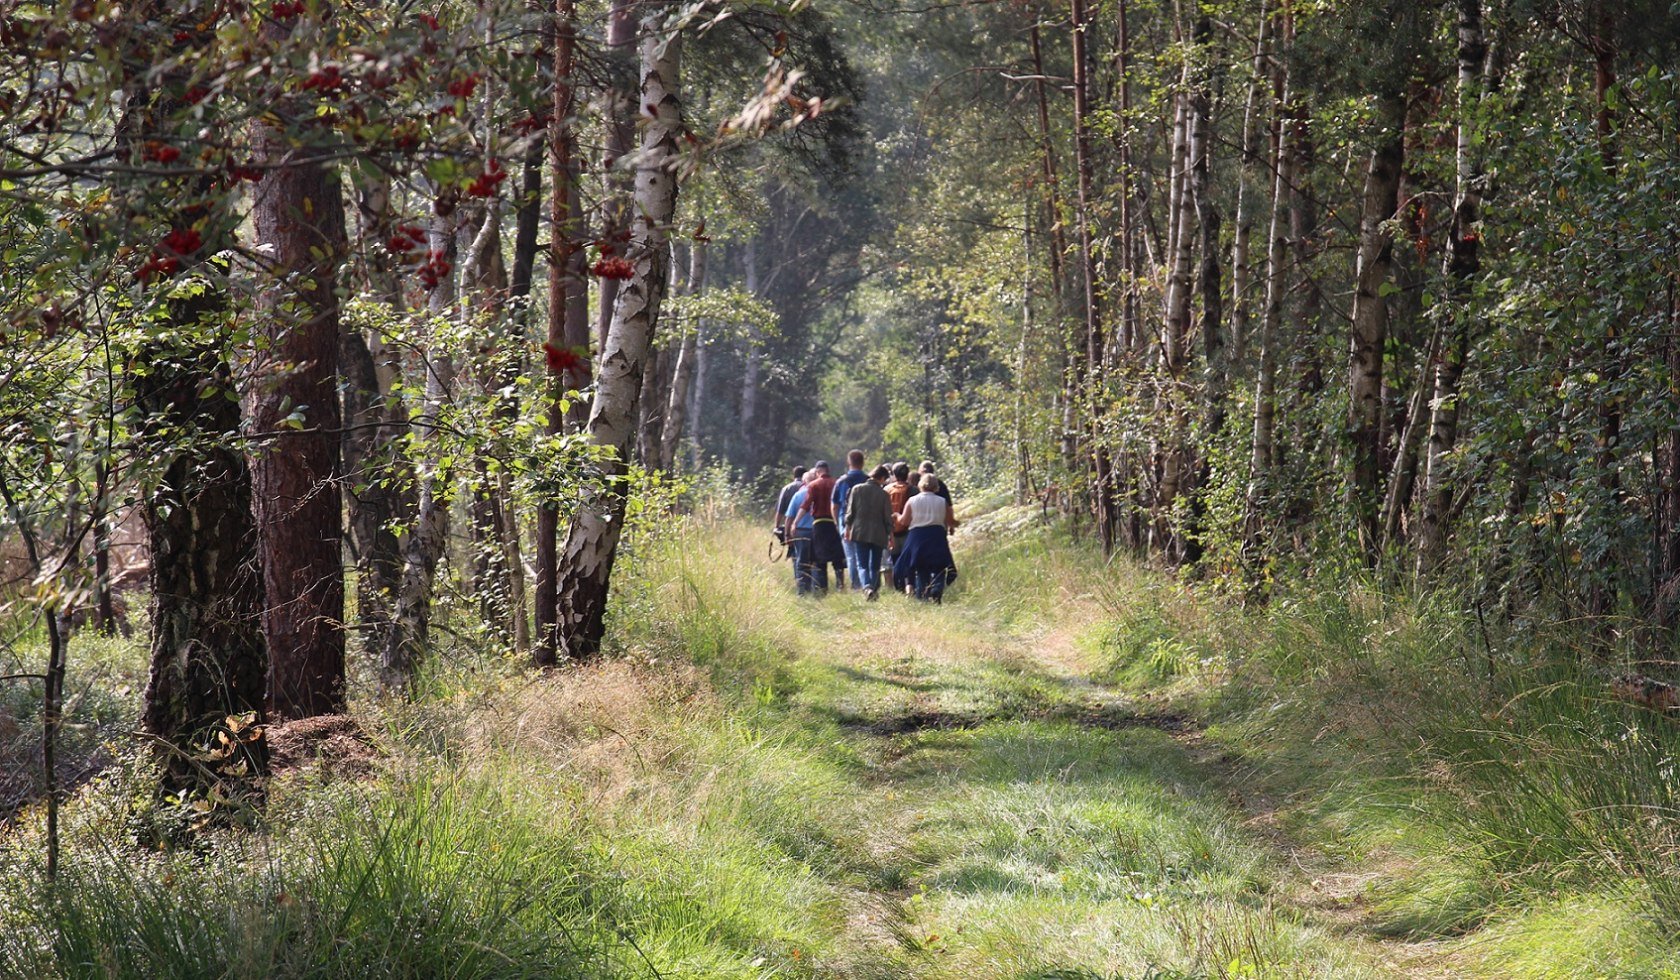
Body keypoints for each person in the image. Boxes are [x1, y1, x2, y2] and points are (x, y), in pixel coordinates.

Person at [892, 472, 959, 602]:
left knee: (920, 565)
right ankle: (937, 590)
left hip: (917, 537)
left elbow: (905, 521)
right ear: (936, 486)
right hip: (937, 535)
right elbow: (950, 520)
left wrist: (896, 516)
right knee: (939, 565)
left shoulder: (912, 501)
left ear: (920, 485)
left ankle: (922, 595)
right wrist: (957, 523)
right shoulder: (942, 501)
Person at [843, 465, 895, 600]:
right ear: (883, 478)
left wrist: (847, 529)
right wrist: (891, 535)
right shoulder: (884, 494)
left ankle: (867, 587)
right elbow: (887, 517)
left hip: (860, 532)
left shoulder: (856, 489)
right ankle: (872, 588)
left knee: (862, 563)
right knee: (875, 565)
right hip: (879, 533)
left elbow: (850, 513)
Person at [796, 460, 846, 595]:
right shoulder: (836, 483)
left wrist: (796, 522)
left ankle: (823, 589)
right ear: (828, 470)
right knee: (837, 557)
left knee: (820, 558)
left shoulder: (813, 485)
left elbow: (805, 505)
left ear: (818, 472)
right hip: (834, 524)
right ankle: (840, 585)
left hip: (819, 525)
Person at [832, 450, 870, 590]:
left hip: (845, 522)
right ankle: (867, 583)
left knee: (851, 557)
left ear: (849, 462)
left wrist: (837, 524)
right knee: (865, 556)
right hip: (865, 522)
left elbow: (835, 506)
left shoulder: (841, 481)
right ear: (862, 462)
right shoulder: (867, 480)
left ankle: (856, 586)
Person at [784, 470, 817, 593]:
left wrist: (787, 534)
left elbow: (789, 517)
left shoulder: (798, 495)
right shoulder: (821, 495)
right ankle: (816, 588)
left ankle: (802, 590)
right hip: (817, 531)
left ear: (804, 481)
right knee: (815, 561)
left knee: (801, 561)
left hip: (801, 532)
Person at [884, 462, 914, 590]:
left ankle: (899, 587)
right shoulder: (914, 489)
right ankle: (910, 585)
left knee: (895, 559)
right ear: (907, 474)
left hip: (892, 531)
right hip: (908, 530)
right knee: (909, 559)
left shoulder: (886, 490)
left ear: (894, 474)